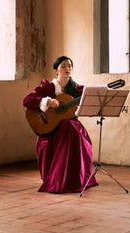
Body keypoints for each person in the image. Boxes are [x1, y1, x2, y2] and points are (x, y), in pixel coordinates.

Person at [23, 55, 98, 193]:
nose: (67, 69)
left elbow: (91, 98)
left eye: (69, 66)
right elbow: (27, 100)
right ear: (56, 70)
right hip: (52, 128)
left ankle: (76, 178)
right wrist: (47, 101)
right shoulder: (48, 87)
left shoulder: (77, 88)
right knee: (69, 128)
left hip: (71, 127)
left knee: (72, 129)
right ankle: (60, 179)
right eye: (63, 66)